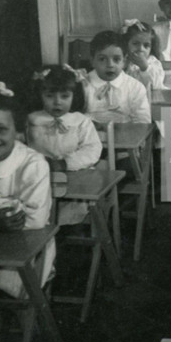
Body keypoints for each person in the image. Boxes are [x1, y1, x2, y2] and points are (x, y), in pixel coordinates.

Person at [0, 86, 56, 322]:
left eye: (2, 129)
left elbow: (33, 220)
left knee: (4, 283)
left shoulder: (33, 164)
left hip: (25, 244)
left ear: (17, 131)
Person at [26, 66, 102, 225]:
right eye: (49, 96)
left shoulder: (81, 121)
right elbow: (22, 150)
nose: (57, 102)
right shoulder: (32, 121)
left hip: (74, 179)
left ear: (75, 96)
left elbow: (92, 149)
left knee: (72, 210)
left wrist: (65, 163)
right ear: (40, 95)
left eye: (65, 96)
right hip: (40, 180)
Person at [83, 30, 151, 124]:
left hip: (127, 136)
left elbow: (143, 123)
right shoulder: (83, 85)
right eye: (102, 59)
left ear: (124, 61)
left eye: (116, 59)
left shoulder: (135, 87)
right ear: (92, 61)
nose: (110, 65)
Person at [121, 20, 167, 91]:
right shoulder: (124, 60)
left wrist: (145, 67)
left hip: (150, 97)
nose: (141, 49)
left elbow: (156, 85)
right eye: (135, 43)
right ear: (126, 43)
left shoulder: (153, 62)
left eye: (146, 45)